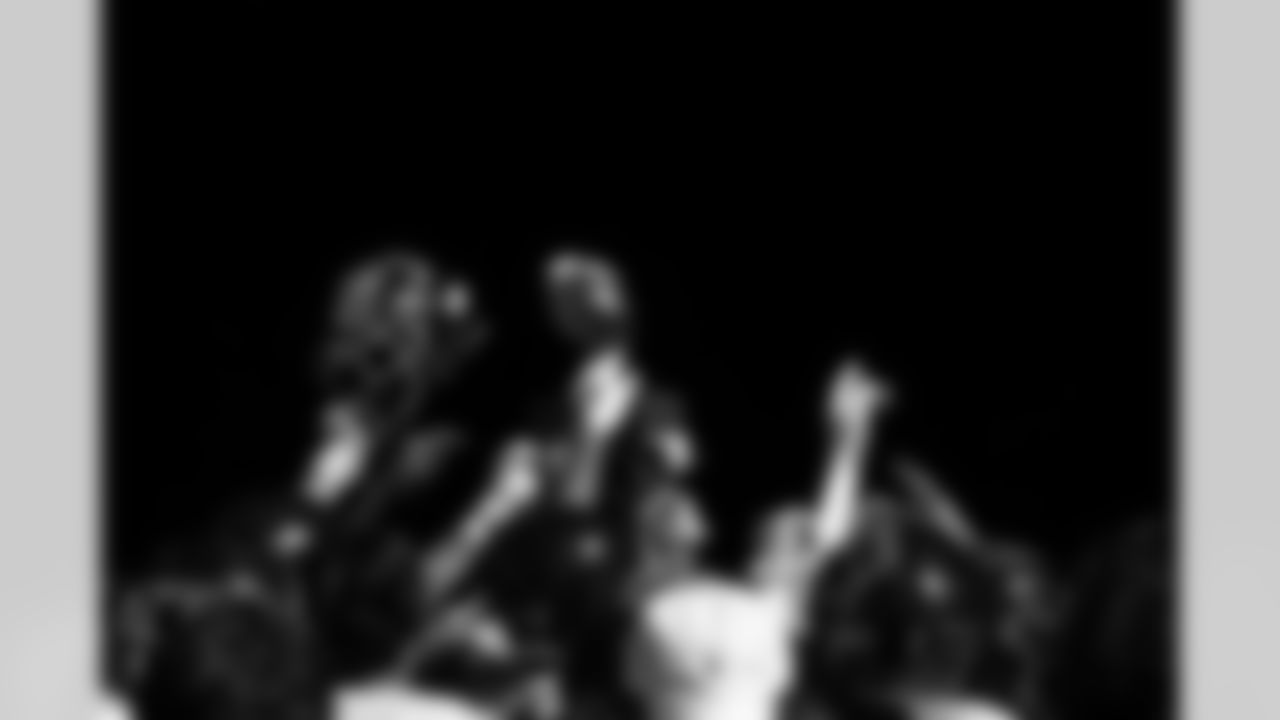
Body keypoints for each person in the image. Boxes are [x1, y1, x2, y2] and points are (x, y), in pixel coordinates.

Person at [622, 358, 891, 720]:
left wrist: (847, 442)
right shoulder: (741, 620)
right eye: (768, 540)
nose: (767, 547)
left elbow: (826, 540)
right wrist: (848, 441)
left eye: (782, 542)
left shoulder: (680, 614)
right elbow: (827, 541)